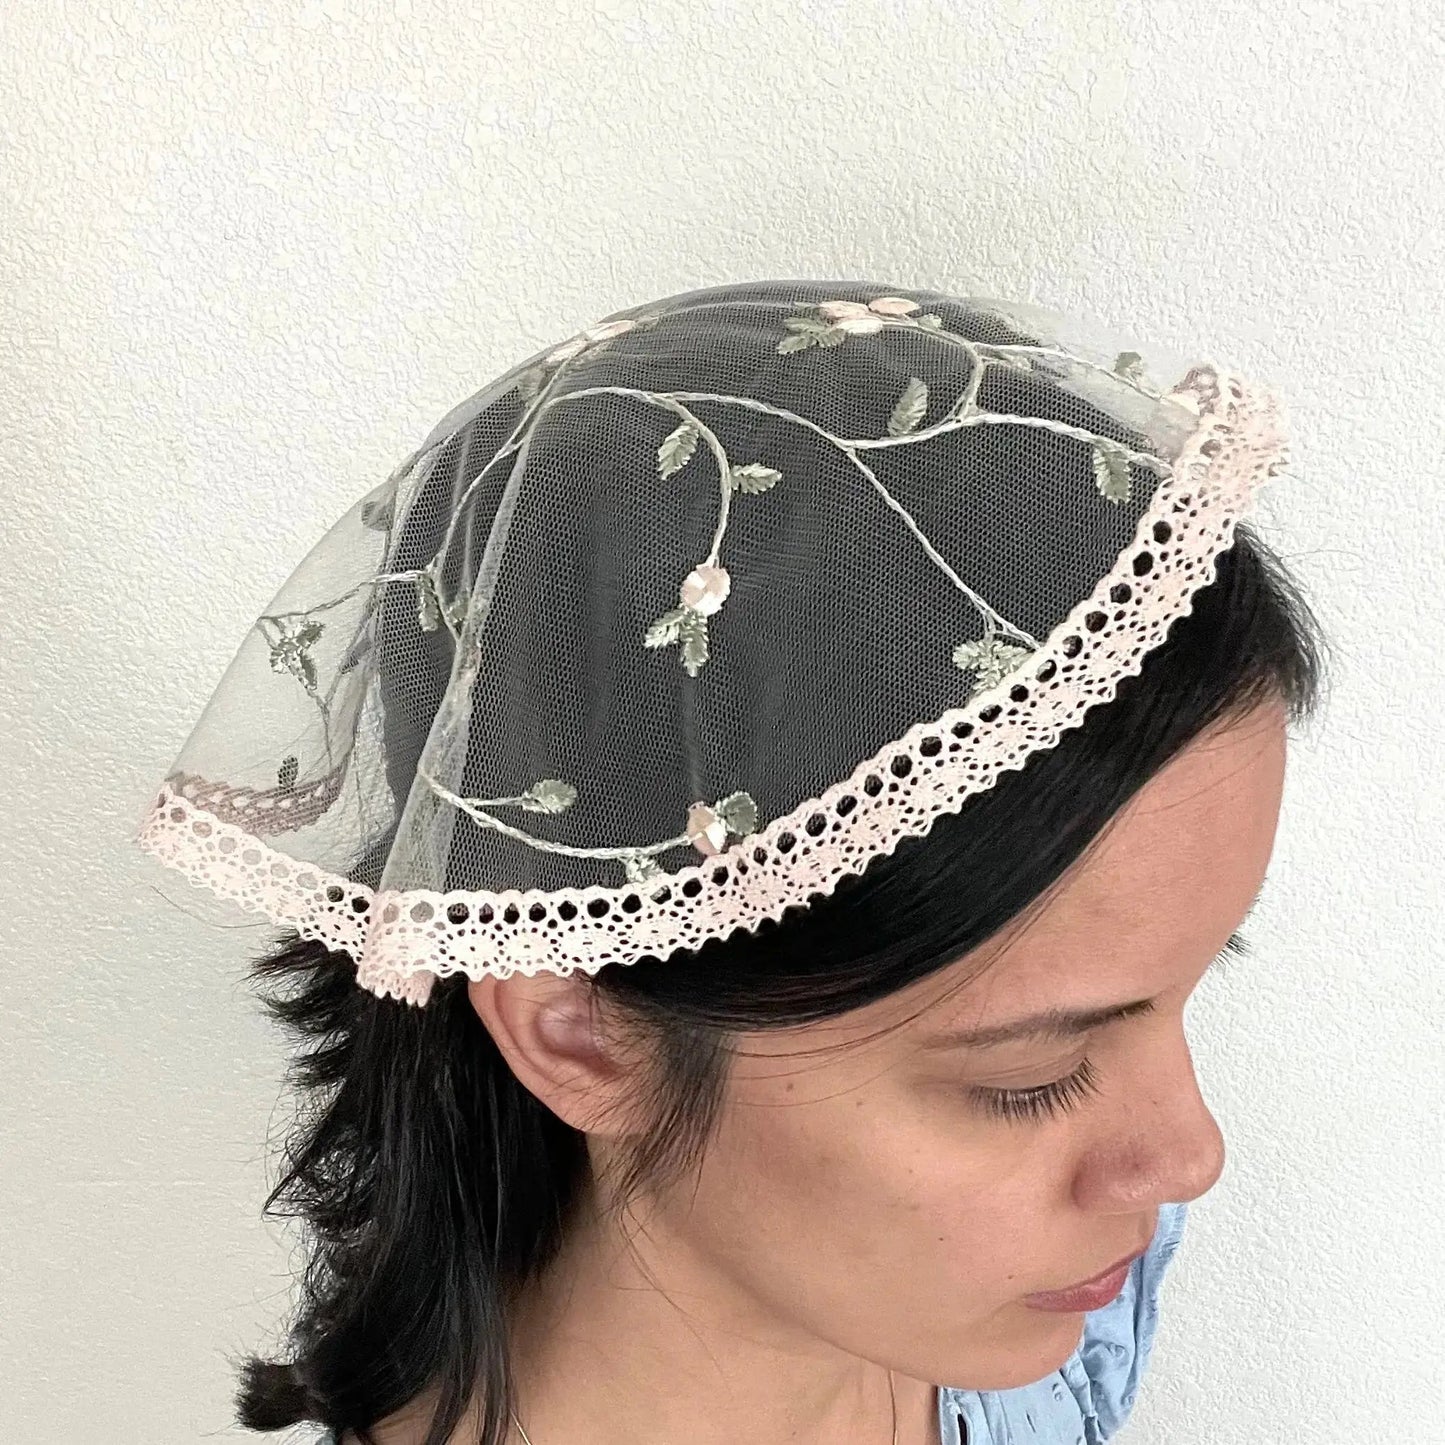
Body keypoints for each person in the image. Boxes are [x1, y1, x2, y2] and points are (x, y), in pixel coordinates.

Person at [136, 279, 1329, 1445]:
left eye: (1191, 978)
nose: (1188, 1156)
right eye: (1032, 1076)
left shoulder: (1045, 1309)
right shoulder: (1004, 1278)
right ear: (576, 1029)